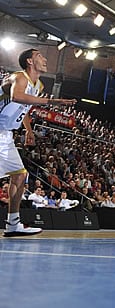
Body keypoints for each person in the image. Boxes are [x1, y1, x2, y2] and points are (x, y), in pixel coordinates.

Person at [0, 48, 76, 236]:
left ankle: (13, 224)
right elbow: (16, 96)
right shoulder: (20, 77)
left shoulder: (38, 86)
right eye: (39, 55)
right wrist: (53, 102)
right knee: (18, 176)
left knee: (19, 176)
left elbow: (23, 107)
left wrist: (28, 129)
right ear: (29, 61)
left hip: (5, 134)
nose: (44, 58)